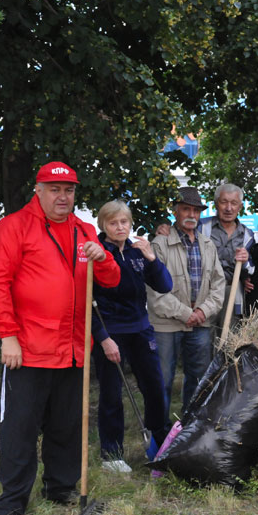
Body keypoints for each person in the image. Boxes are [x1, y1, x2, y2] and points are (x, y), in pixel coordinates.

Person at [0, 161, 121, 515]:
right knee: (19, 429)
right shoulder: (13, 228)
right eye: (55, 189)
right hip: (27, 350)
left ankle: (59, 488)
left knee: (67, 426)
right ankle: (11, 503)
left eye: (69, 190)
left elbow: (111, 280)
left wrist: (103, 257)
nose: (63, 196)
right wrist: (7, 336)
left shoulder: (84, 230)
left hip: (74, 351)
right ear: (38, 190)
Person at [91, 200, 173, 473]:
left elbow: (164, 286)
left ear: (130, 223)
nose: (119, 227)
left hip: (141, 328)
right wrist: (103, 338)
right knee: (112, 393)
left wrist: (152, 258)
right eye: (113, 223)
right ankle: (111, 454)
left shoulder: (139, 252)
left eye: (124, 222)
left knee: (155, 387)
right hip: (111, 331)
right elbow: (86, 302)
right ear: (103, 225)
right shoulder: (98, 253)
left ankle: (160, 444)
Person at [147, 187, 225, 418]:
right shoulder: (159, 244)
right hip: (166, 324)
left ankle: (190, 426)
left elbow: (218, 284)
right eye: (185, 209)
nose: (191, 214)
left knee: (199, 377)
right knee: (162, 379)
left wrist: (202, 311)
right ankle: (158, 431)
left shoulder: (208, 244)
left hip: (200, 323)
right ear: (175, 211)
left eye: (195, 210)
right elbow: (154, 291)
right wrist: (185, 313)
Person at [156, 183, 252, 327]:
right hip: (204, 295)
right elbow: (179, 228)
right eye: (224, 202)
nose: (228, 208)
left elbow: (252, 269)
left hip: (232, 293)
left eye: (234, 203)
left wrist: (245, 262)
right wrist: (164, 227)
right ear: (216, 204)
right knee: (203, 337)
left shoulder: (247, 235)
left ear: (240, 207)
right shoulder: (200, 226)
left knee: (228, 338)